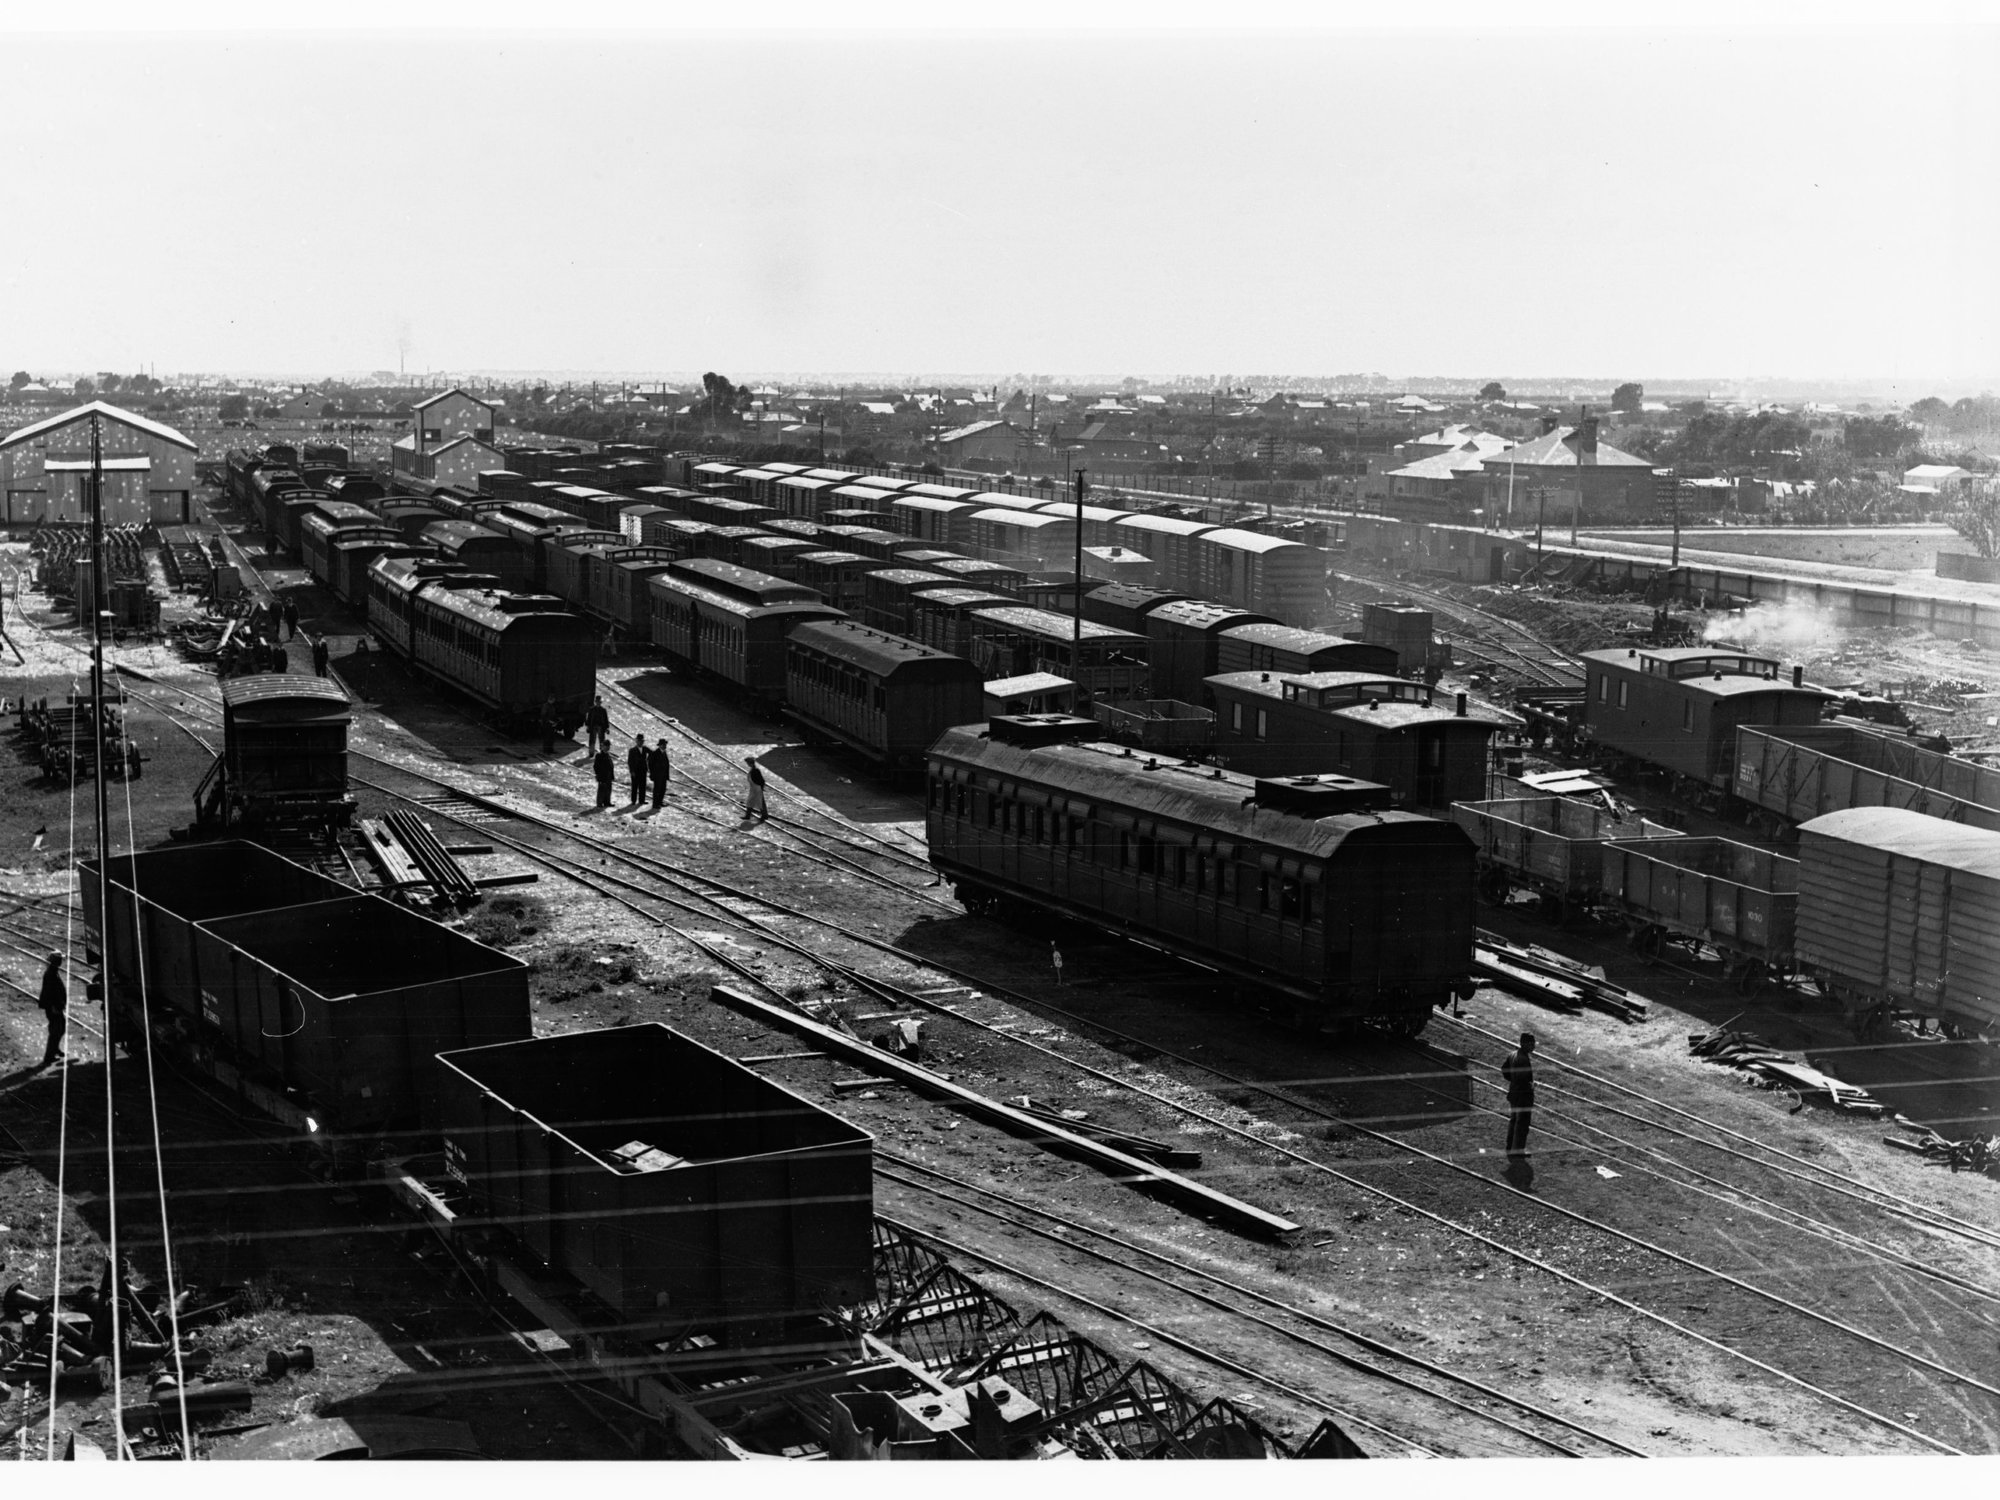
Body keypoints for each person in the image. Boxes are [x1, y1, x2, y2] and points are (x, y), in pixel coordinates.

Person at [1501, 1032, 1537, 1157]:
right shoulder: (1523, 1059)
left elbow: (1504, 1070)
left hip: (1514, 1094)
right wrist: (1530, 1086)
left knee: (1514, 1121)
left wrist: (1513, 1081)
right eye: (1531, 1044)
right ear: (1524, 1044)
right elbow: (1523, 1080)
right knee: (1522, 1124)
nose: (1533, 1046)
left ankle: (1510, 1147)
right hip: (1523, 1097)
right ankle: (1517, 1151)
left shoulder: (1513, 1054)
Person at [39, 953, 66, 1068]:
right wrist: (54, 1006)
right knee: (56, 1030)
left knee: (61, 1028)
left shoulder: (53, 972)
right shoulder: (51, 974)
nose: (61, 962)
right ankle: (49, 1056)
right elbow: (50, 993)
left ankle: (55, 1049)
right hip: (53, 1007)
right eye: (60, 960)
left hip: (55, 1006)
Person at [743, 756, 768, 822]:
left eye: (747, 763)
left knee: (759, 802)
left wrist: (761, 788)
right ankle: (748, 816)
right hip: (754, 788)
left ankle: (764, 816)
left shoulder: (755, 770)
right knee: (750, 801)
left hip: (757, 788)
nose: (747, 764)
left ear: (750, 763)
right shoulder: (753, 769)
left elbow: (762, 781)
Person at [627, 733, 649, 807]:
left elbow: (652, 754)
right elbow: (630, 762)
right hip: (635, 771)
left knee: (643, 786)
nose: (640, 742)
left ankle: (641, 800)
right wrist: (632, 771)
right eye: (639, 741)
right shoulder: (632, 750)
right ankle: (633, 800)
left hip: (643, 770)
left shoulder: (645, 749)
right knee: (634, 786)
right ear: (636, 741)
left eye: (642, 741)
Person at [648, 739, 670, 811]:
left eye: (665, 745)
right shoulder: (655, 753)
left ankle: (660, 802)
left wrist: (667, 775)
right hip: (657, 775)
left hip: (663, 775)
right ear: (659, 745)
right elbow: (650, 764)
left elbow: (666, 764)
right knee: (657, 790)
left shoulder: (664, 752)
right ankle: (655, 804)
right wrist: (652, 774)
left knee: (662, 789)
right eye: (663, 745)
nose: (664, 746)